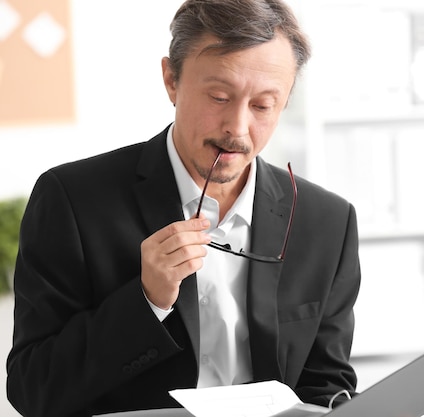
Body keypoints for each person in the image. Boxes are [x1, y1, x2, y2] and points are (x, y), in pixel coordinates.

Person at [6, 1, 361, 415]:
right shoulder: (71, 200)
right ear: (171, 80)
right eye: (219, 96)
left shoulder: (326, 222)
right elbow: (33, 390)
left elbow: (328, 386)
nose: (238, 128)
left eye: (263, 105)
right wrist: (146, 301)